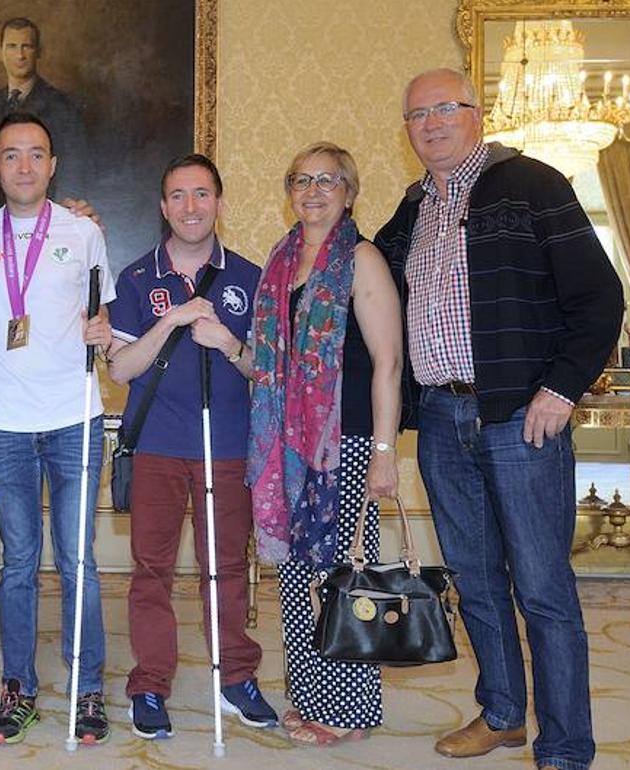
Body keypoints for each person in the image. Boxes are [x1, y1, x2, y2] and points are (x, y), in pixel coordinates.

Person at [375, 68, 624, 770]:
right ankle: (503, 714)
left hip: (521, 418)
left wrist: (562, 390)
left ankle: (567, 747)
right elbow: (360, 268)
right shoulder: (413, 206)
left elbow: (601, 300)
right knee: (476, 579)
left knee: (543, 588)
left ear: (476, 115)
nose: (430, 124)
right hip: (443, 419)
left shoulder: (534, 184)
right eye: (416, 114)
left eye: (444, 109)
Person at [104, 154, 279, 739]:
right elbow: (122, 368)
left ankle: (234, 677)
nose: (190, 207)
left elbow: (266, 372)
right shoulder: (134, 279)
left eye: (201, 194)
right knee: (151, 570)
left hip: (226, 447)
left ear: (219, 202)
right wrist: (172, 321)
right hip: (155, 445)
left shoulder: (252, 279)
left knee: (225, 567)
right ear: (163, 207)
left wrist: (229, 343)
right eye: (177, 195)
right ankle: (150, 683)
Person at [248, 142, 402, 747]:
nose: (313, 191)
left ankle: (348, 711)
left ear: (349, 190)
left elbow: (389, 362)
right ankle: (310, 696)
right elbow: (270, 361)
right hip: (287, 448)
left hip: (348, 443)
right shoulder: (282, 260)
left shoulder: (361, 259)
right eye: (301, 180)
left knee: (341, 578)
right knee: (295, 576)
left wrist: (385, 455)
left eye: (327, 180)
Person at [0, 112, 113, 745]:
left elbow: (106, 321)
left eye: (36, 155)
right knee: (17, 564)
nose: (24, 166)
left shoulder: (83, 233)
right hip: (2, 425)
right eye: (11, 155)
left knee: (78, 561)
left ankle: (88, 690)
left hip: (75, 418)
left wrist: (103, 334)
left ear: (52, 166)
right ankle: (18, 686)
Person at [0, 17, 90, 213]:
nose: (20, 55)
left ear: (38, 52)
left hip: (47, 225)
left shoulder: (63, 106)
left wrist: (61, 221)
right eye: (12, 46)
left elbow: (75, 174)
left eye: (27, 46)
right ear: (0, 53)